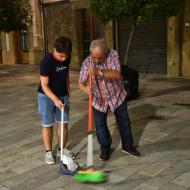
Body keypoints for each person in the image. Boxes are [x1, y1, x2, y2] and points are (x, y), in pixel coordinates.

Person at [78, 39, 141, 161]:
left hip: (116, 95)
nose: (97, 60)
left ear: (106, 53)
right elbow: (80, 83)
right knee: (100, 126)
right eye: (94, 57)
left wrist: (98, 71)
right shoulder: (87, 63)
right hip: (98, 98)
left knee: (124, 122)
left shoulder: (113, 55)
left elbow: (117, 74)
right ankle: (105, 148)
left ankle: (128, 146)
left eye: (100, 58)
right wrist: (86, 90)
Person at [38, 36, 74, 164]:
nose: (63, 59)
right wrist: (55, 100)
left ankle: (61, 149)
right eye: (60, 56)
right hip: (46, 96)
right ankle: (48, 152)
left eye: (66, 56)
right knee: (48, 124)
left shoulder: (67, 56)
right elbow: (44, 85)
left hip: (62, 94)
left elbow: (66, 72)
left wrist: (68, 85)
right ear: (54, 50)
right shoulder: (46, 62)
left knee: (63, 123)